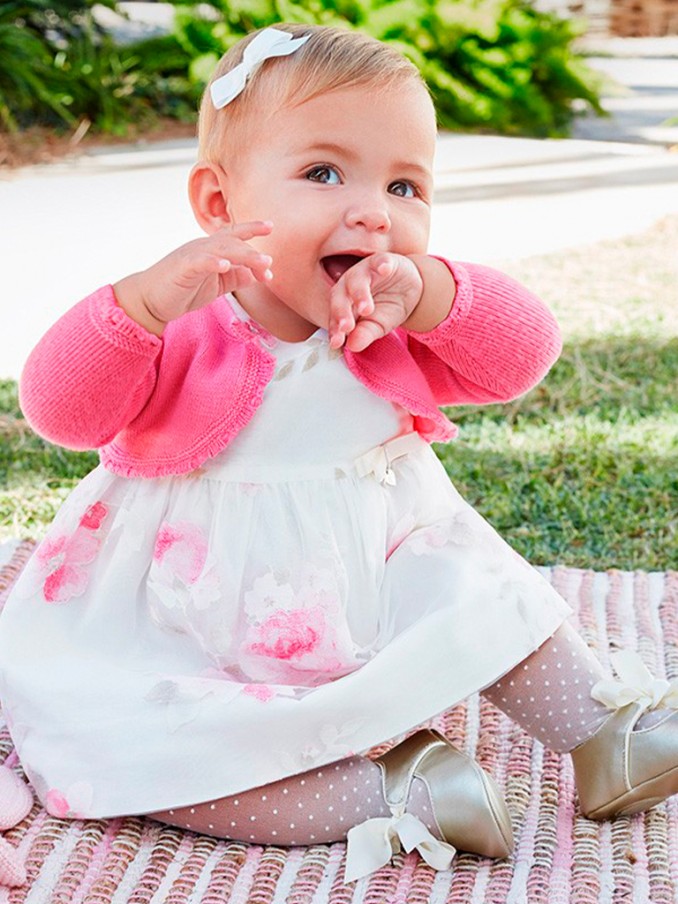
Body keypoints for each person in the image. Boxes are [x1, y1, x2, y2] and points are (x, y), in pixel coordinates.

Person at [1, 22, 677, 886]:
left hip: (371, 580)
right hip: (183, 625)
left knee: (475, 581)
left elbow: (523, 354)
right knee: (128, 752)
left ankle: (601, 734)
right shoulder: (186, 324)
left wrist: (432, 293)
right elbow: (61, 409)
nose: (374, 210)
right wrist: (136, 306)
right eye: (324, 173)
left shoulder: (388, 321)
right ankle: (394, 793)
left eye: (405, 185)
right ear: (218, 204)